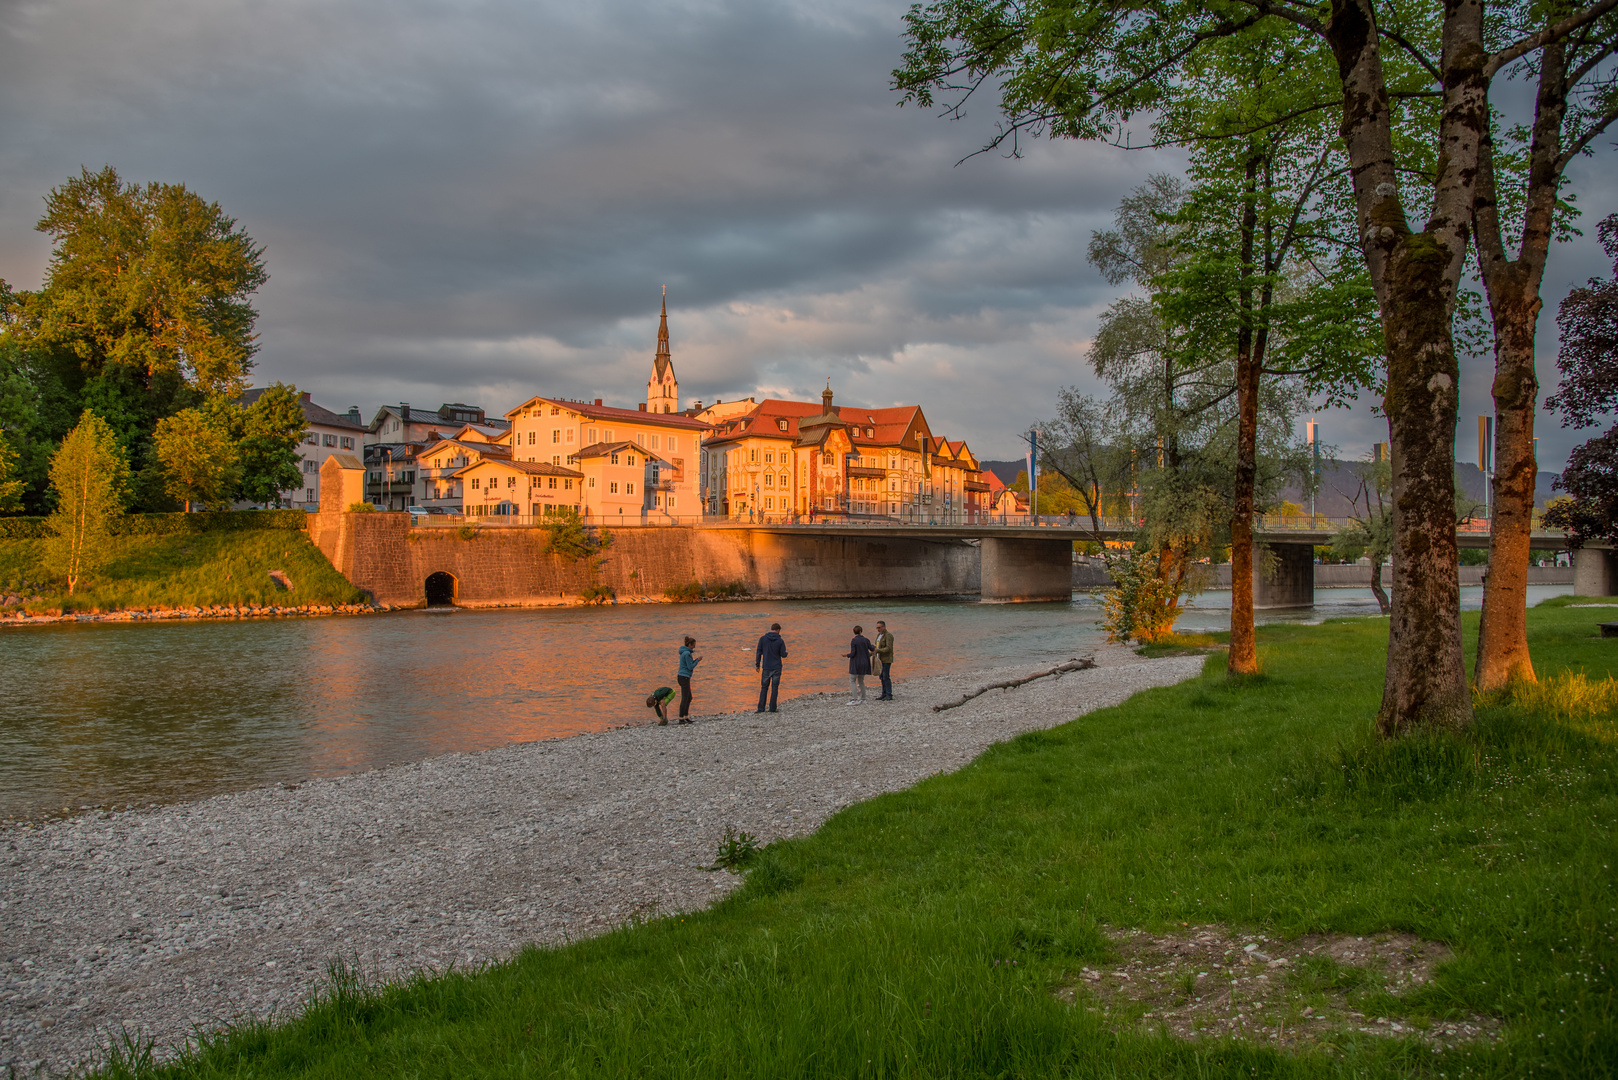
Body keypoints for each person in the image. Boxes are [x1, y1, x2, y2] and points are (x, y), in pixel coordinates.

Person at [755, 622, 788, 713]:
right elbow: (783, 655)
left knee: (764, 688)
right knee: (775, 688)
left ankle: (761, 708)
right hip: (776, 667)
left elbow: (758, 652)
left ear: (771, 629)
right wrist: (786, 653)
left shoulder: (763, 639)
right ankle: (772, 708)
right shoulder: (780, 641)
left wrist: (757, 665)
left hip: (766, 667)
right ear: (778, 630)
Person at [844, 625, 874, 705]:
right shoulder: (866, 640)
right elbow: (871, 648)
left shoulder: (854, 641)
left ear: (854, 632)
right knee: (861, 680)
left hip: (856, 663)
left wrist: (847, 655)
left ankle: (855, 699)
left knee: (852, 680)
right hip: (864, 662)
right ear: (861, 631)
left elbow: (853, 653)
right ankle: (863, 698)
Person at [676, 635, 702, 723]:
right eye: (694, 645)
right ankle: (681, 718)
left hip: (683, 676)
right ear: (690, 645)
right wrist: (697, 660)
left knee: (689, 697)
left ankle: (686, 716)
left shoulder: (684, 653)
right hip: (684, 677)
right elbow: (690, 666)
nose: (694, 647)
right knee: (685, 698)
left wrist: (695, 660)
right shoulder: (687, 654)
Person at [874, 620, 896, 700]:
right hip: (879, 659)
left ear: (884, 627)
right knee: (881, 676)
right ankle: (883, 693)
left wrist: (878, 650)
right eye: (877, 628)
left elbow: (889, 648)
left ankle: (889, 694)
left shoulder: (888, 636)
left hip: (886, 659)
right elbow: (877, 646)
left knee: (886, 676)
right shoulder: (878, 636)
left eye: (879, 627)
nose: (878, 629)